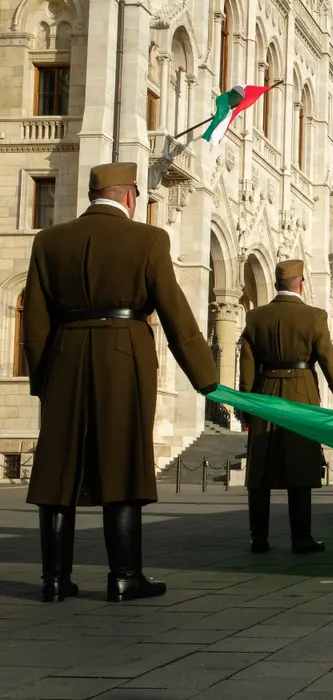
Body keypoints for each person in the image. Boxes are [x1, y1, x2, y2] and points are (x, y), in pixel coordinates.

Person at [23, 162, 219, 603]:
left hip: (65, 355)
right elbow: (177, 316)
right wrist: (206, 381)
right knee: (124, 458)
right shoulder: (148, 239)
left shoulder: (49, 241)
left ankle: (54, 580)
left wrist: (43, 381)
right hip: (123, 356)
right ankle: (124, 576)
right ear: (130, 195)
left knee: (58, 470)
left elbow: (34, 321)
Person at [240, 260, 333, 555]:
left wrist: (246, 407)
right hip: (302, 394)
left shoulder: (255, 317)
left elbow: (247, 369)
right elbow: (331, 367)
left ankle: (259, 538)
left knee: (260, 472)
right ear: (300, 283)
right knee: (301, 467)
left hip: (265, 395)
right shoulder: (314, 316)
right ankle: (300, 537)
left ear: (278, 283)